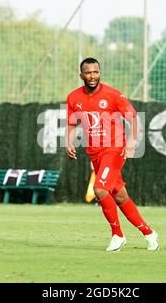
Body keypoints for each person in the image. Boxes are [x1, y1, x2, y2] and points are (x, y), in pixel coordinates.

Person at [66, 57, 158, 252]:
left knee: (100, 189)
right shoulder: (73, 98)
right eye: (88, 72)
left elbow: (132, 118)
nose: (92, 76)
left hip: (115, 149)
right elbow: (72, 123)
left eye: (96, 72)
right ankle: (149, 233)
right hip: (94, 152)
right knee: (120, 196)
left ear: (100, 73)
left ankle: (117, 235)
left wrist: (132, 141)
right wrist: (68, 142)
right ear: (81, 75)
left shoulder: (112, 95)